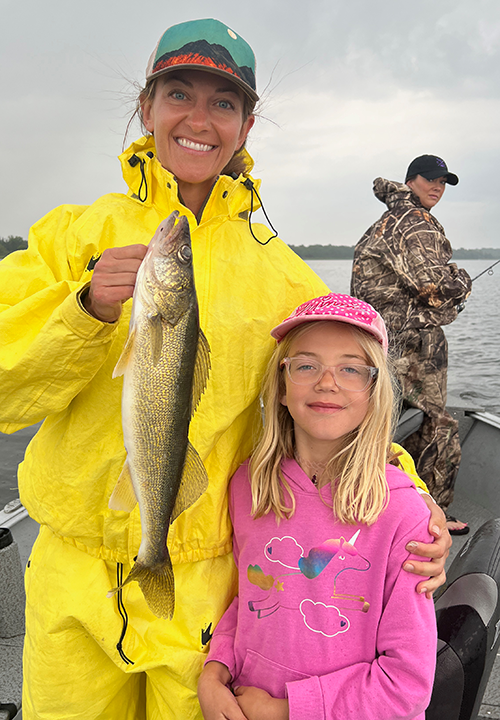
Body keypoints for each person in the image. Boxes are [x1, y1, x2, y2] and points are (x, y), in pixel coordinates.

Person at [0, 22, 448, 719]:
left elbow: (337, 401)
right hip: (70, 577)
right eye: (178, 93)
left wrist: (417, 509)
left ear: (246, 124)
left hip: (212, 584)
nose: (199, 119)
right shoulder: (69, 236)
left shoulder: (285, 275)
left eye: (225, 103)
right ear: (146, 108)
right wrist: (82, 309)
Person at [198, 293, 437, 720]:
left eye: (350, 369)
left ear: (374, 392)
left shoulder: (403, 513)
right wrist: (215, 672)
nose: (327, 382)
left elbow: (408, 684)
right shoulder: (248, 486)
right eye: (306, 365)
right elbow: (252, 595)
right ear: (282, 388)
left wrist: (283, 711)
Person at [351, 155, 472, 535]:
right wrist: (463, 279)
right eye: (430, 179)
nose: (437, 187)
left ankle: (372, 505)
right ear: (411, 180)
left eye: (444, 182)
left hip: (377, 341)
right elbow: (435, 290)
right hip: (411, 343)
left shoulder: (387, 221)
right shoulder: (414, 223)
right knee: (439, 426)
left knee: (377, 424)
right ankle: (432, 517)